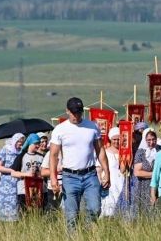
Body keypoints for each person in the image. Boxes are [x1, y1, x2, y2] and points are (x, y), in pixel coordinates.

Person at [49, 97, 110, 232]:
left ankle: (87, 231)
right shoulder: (60, 129)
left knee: (95, 208)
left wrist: (107, 172)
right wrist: (53, 178)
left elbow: (100, 150)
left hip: (90, 174)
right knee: (71, 214)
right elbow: (53, 155)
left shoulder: (93, 127)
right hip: (70, 176)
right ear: (67, 111)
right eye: (73, 112)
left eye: (79, 112)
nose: (76, 115)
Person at [0, 133, 26, 222]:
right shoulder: (5, 150)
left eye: (22, 141)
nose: (20, 143)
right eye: (18, 141)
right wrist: (11, 171)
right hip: (6, 183)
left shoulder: (21, 152)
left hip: (17, 183)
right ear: (14, 140)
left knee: (16, 206)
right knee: (4, 208)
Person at [12, 133, 44, 212]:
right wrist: (26, 174)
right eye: (35, 143)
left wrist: (38, 173)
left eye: (38, 143)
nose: (38, 145)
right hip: (23, 189)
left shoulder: (41, 157)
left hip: (39, 189)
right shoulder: (21, 156)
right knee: (25, 213)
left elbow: (44, 171)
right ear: (30, 143)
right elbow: (13, 173)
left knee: (39, 212)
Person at [132, 129, 160, 215]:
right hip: (142, 185)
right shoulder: (141, 152)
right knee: (143, 208)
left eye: (153, 139)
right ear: (145, 140)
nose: (151, 142)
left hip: (157, 185)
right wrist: (155, 174)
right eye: (149, 140)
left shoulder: (160, 151)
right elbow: (137, 172)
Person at [99, 127, 126, 218]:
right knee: (107, 203)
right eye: (114, 139)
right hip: (108, 180)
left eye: (119, 139)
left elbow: (122, 170)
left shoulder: (123, 153)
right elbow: (99, 169)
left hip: (120, 181)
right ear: (110, 139)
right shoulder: (105, 152)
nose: (117, 141)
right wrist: (100, 181)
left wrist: (125, 157)